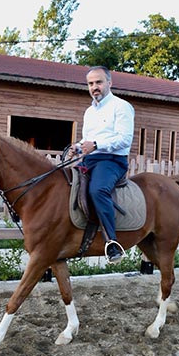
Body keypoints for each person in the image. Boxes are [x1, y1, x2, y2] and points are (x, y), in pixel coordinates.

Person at [69, 66, 135, 264]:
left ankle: (112, 243)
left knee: (97, 190)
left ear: (109, 83)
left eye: (98, 82)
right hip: (90, 160)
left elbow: (124, 139)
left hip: (112, 160)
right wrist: (77, 147)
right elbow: (87, 139)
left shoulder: (121, 106)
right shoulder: (89, 112)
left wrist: (96, 145)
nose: (94, 87)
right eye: (90, 83)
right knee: (64, 183)